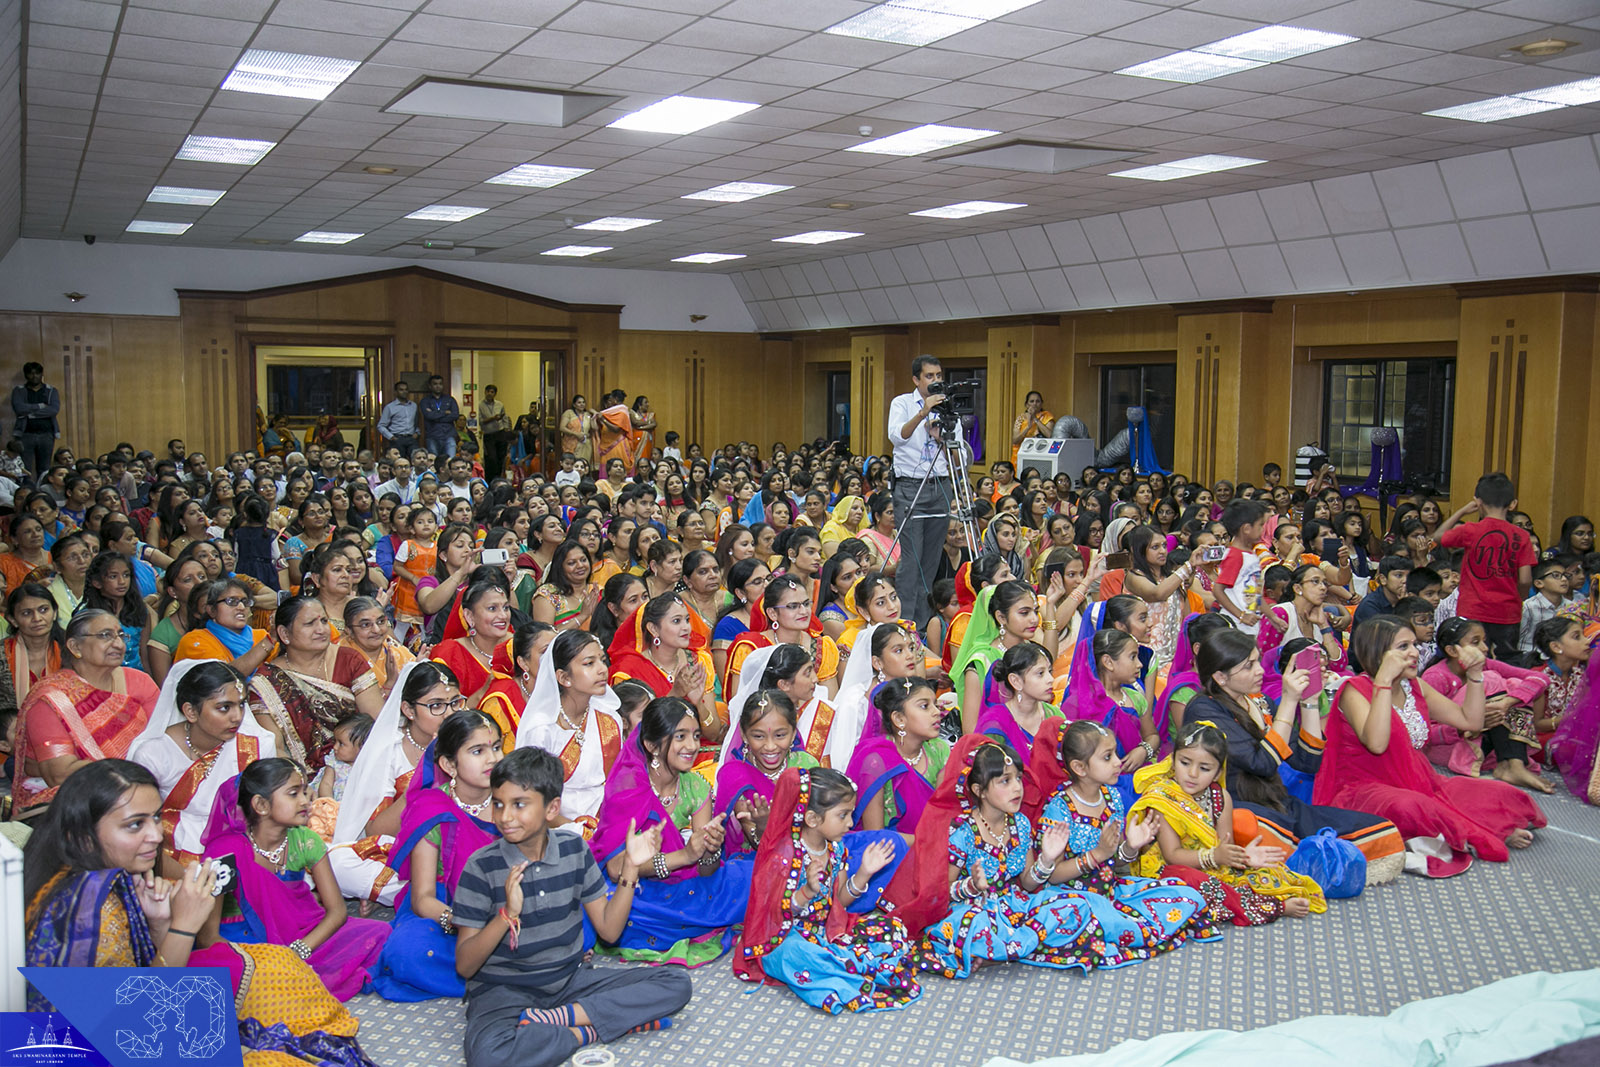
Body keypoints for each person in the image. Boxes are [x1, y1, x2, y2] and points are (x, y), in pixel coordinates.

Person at [21, 760, 379, 1064]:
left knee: (277, 967)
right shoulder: (85, 908)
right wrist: (183, 927)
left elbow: (149, 983)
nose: (155, 835)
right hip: (86, 1047)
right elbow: (137, 1020)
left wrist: (163, 923)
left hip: (137, 1018)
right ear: (84, 835)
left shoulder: (112, 876)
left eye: (156, 818)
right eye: (135, 824)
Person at [453, 747, 690, 1067]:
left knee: (677, 984)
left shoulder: (573, 850)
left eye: (519, 804)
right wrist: (506, 916)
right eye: (498, 804)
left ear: (552, 808)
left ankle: (558, 1019)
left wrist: (631, 868)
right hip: (503, 991)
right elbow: (465, 967)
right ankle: (583, 1032)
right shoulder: (481, 867)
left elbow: (608, 931)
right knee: (489, 1058)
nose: (505, 817)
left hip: (570, 981)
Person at [1317, 617, 1546, 875]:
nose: (1415, 652)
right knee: (1412, 807)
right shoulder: (1354, 690)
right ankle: (1478, 832)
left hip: (1421, 780)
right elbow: (1377, 744)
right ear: (1378, 652)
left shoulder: (1414, 686)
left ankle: (1473, 829)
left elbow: (1470, 720)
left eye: (1414, 644)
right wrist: (1382, 682)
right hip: (1365, 788)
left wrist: (1474, 676)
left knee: (1501, 793)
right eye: (1403, 647)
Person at [1182, 628, 1406, 883]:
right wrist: (1288, 701)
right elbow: (1263, 763)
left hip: (1277, 804)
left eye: (1257, 660)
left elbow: (1307, 762)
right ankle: (1310, 862)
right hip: (1234, 809)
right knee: (1259, 828)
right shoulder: (1203, 708)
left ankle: (1312, 861)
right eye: (1248, 666)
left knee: (1382, 832)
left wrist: (1308, 702)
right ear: (1220, 677)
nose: (1260, 670)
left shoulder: (1260, 701)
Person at [885, 736, 1112, 976]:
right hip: (974, 910)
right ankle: (1012, 946)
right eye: (1005, 781)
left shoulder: (1021, 824)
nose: (1017, 788)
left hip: (1013, 905)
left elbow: (1027, 881)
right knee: (972, 926)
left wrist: (1046, 859)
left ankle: (1000, 950)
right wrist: (972, 885)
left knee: (1076, 905)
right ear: (979, 790)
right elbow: (944, 892)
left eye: (1018, 779)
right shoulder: (963, 832)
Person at [734, 767, 919, 1014]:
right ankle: (836, 973)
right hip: (784, 938)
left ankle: (836, 969)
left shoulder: (836, 849)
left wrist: (864, 872)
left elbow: (840, 902)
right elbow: (776, 914)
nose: (851, 823)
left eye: (850, 814)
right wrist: (807, 891)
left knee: (893, 928)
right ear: (812, 819)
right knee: (798, 954)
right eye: (842, 815)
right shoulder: (783, 856)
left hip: (825, 930)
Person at [201, 760, 389, 1001]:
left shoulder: (306, 840)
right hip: (242, 941)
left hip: (300, 934)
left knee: (380, 931)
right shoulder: (225, 852)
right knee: (242, 976)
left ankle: (293, 973)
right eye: (293, 794)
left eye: (304, 791)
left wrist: (299, 950)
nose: (305, 801)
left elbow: (336, 912)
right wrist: (264, 960)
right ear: (260, 804)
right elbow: (207, 936)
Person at [589, 696, 754, 966]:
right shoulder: (629, 785)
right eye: (680, 737)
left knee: (753, 874)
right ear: (652, 745)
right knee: (613, 907)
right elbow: (617, 868)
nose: (692, 746)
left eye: (696, 736)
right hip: (637, 889)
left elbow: (705, 871)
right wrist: (684, 856)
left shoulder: (696, 787)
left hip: (686, 884)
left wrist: (710, 849)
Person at [1129, 720, 1325, 925]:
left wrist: (1244, 857)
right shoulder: (1162, 798)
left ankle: (1252, 899)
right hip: (1172, 872)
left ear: (1218, 773)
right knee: (1199, 888)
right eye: (1184, 763)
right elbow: (1172, 856)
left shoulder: (1220, 797)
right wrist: (1214, 856)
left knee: (1270, 873)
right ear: (1172, 760)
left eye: (1204, 768)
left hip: (1214, 865)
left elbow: (1225, 847)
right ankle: (1273, 907)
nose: (1192, 774)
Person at [372, 709, 503, 1001]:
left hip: (508, 900)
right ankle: (511, 972)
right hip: (448, 909)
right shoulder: (432, 809)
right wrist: (462, 920)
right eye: (478, 751)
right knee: (409, 949)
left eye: (496, 747)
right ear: (448, 764)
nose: (492, 758)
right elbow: (423, 899)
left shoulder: (512, 799)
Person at [127, 659, 276, 866]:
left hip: (245, 849)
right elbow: (138, 824)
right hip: (169, 855)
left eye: (241, 705)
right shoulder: (153, 754)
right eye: (224, 708)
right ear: (190, 712)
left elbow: (268, 815)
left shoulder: (257, 746)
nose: (237, 717)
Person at [14, 609, 161, 817]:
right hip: (77, 801)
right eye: (105, 635)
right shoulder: (51, 700)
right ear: (75, 647)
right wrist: (134, 767)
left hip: (145, 789)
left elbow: (165, 740)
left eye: (121, 635)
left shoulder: (140, 682)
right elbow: (60, 773)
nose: (118, 644)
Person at [249, 597, 382, 772]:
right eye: (309, 623)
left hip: (361, 767)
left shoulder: (349, 660)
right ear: (284, 634)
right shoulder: (265, 682)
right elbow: (275, 749)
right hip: (301, 779)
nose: (321, 630)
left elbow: (377, 724)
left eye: (324, 621)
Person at [515, 629, 626, 829]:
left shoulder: (610, 720)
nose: (602, 669)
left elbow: (619, 784)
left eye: (602, 660)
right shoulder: (542, 729)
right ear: (564, 678)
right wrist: (581, 831)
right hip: (556, 828)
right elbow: (532, 798)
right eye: (589, 664)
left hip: (607, 820)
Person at [887, 355, 964, 630]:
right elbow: (897, 436)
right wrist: (923, 414)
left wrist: (943, 440)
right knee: (912, 558)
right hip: (910, 486)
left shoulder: (948, 408)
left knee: (930, 559)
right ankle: (903, 622)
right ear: (916, 379)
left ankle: (920, 625)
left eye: (939, 376)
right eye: (929, 376)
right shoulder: (903, 403)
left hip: (940, 485)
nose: (935, 381)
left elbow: (962, 458)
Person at [1437, 473, 1536, 659]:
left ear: (1479, 502)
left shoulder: (1471, 530)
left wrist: (1463, 511)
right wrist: (1518, 598)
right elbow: (1525, 579)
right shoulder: (1521, 536)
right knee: (1505, 664)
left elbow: (1437, 537)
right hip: (1507, 612)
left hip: (1472, 610)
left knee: (1471, 662)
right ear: (1513, 504)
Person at [11, 361, 60, 479]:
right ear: (26, 375)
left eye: (37, 373)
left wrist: (30, 413)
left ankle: (43, 493)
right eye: (31, 374)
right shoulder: (19, 390)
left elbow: (53, 409)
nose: (34, 376)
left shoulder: (51, 390)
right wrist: (41, 406)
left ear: (41, 374)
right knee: (25, 468)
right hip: (26, 434)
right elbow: (19, 408)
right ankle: (27, 493)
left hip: (46, 434)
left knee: (44, 468)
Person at [1011, 390, 1054, 468]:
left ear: (1041, 404)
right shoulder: (1021, 418)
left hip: (1040, 454)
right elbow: (1015, 440)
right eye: (1032, 401)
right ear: (1027, 405)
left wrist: (1035, 418)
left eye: (1037, 401)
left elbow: (1050, 435)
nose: (1034, 404)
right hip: (1022, 454)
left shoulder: (1047, 416)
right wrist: (1027, 427)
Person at [421, 375, 461, 459]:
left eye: (440, 384)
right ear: (430, 386)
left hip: (449, 435)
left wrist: (435, 415)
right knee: (433, 463)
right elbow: (428, 416)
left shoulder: (450, 399)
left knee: (450, 462)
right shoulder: (425, 401)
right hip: (432, 436)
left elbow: (455, 415)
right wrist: (445, 412)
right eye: (435, 384)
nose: (438, 386)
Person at [478, 384, 512, 480]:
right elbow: (480, 421)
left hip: (500, 433)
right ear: (485, 392)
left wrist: (506, 430)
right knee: (491, 459)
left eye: (492, 392)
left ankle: (499, 478)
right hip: (488, 435)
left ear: (495, 394)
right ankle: (490, 480)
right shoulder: (480, 405)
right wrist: (493, 418)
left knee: (501, 457)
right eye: (488, 391)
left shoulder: (499, 404)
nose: (489, 394)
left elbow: (504, 417)